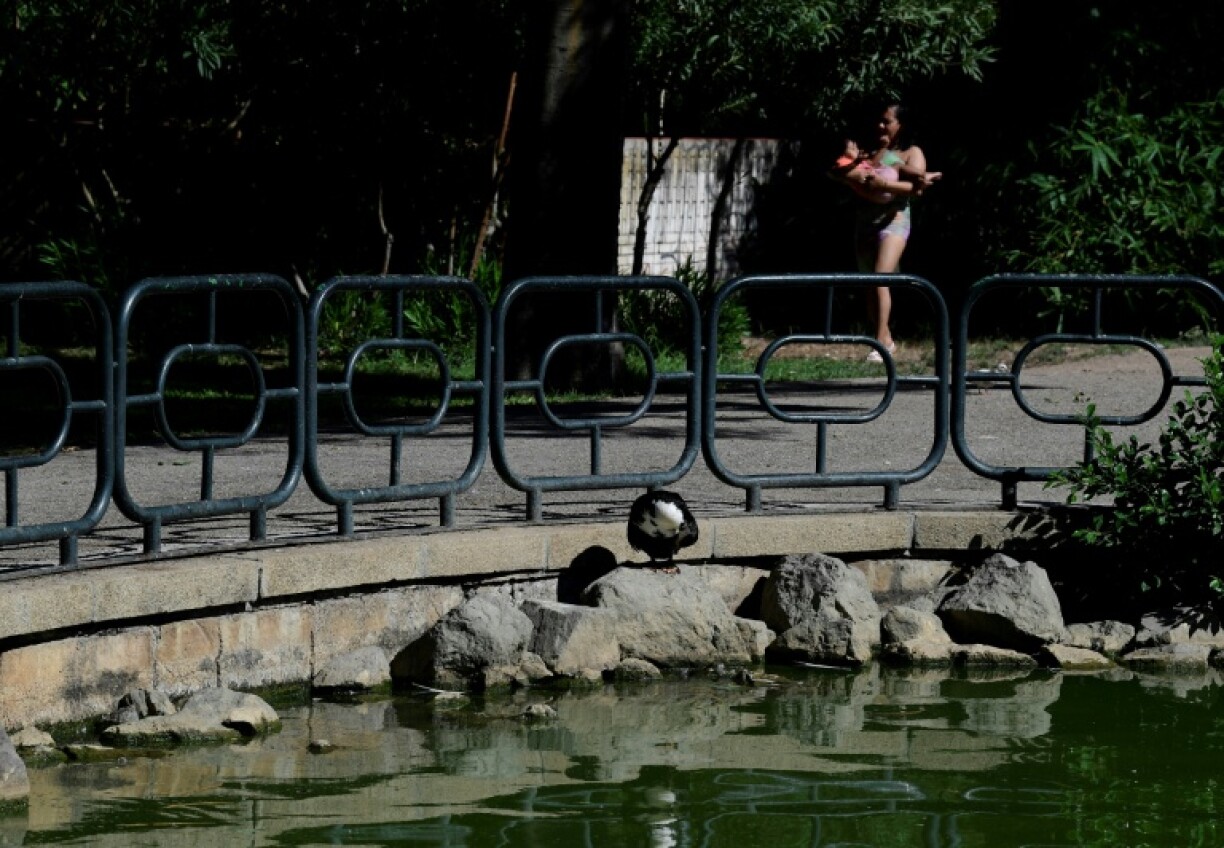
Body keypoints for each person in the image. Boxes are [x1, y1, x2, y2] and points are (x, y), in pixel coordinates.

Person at [831, 104, 939, 362]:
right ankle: (886, 338)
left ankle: (879, 344)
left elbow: (916, 188)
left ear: (901, 125)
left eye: (886, 121)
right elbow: (843, 174)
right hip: (866, 222)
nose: (880, 126)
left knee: (881, 278)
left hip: (894, 222)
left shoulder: (910, 153)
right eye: (879, 121)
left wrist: (884, 183)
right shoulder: (871, 153)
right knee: (869, 285)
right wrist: (852, 163)